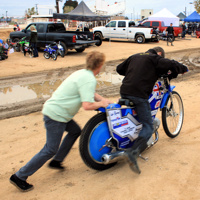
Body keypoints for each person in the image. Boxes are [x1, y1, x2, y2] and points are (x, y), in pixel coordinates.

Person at [9, 51, 112, 192]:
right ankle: (19, 176)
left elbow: (90, 93)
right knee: (50, 149)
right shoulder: (89, 78)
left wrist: (103, 100)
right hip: (56, 116)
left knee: (75, 131)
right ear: (100, 65)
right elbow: (87, 105)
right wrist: (102, 104)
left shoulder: (83, 73)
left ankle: (57, 160)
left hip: (60, 114)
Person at [116, 46, 188, 174]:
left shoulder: (135, 56)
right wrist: (183, 69)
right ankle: (133, 152)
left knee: (137, 114)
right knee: (148, 126)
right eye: (161, 56)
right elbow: (171, 64)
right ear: (159, 53)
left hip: (124, 91)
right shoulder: (155, 58)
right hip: (138, 94)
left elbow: (119, 69)